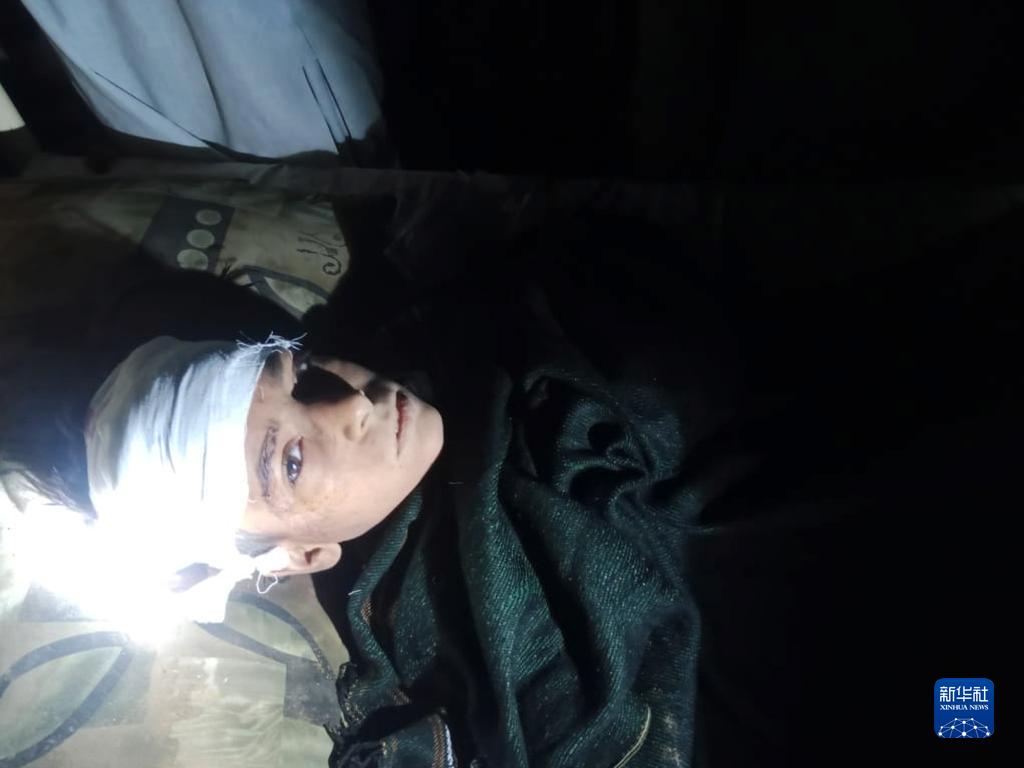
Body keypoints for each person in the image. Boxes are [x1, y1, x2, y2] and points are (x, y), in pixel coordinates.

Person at [3, 202, 1017, 767]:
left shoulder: (459, 335)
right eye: (292, 460)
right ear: (303, 552)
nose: (350, 404)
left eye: (301, 372)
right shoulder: (449, 618)